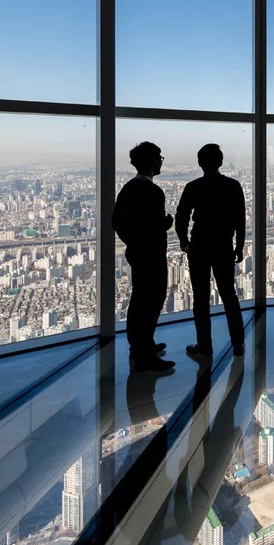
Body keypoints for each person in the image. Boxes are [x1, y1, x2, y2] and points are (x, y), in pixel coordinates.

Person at [174, 143, 248, 358]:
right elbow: (240, 219)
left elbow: (182, 216)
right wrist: (240, 245)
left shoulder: (193, 186)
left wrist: (183, 239)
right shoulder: (233, 186)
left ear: (199, 163)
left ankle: (204, 345)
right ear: (221, 162)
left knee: (200, 297)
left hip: (199, 245)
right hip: (223, 244)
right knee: (229, 295)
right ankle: (238, 343)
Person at [114, 141, 174, 373]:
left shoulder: (128, 188)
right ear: (151, 161)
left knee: (140, 300)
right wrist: (165, 224)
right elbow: (153, 225)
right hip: (151, 255)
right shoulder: (152, 191)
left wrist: (133, 241)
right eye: (159, 157)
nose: (161, 161)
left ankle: (141, 347)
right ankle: (143, 355)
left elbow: (116, 221)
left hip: (138, 253)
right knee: (151, 301)